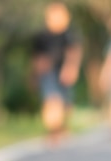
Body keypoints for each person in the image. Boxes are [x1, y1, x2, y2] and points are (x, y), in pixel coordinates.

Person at [32, 2, 82, 145]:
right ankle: (53, 130)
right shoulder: (41, 36)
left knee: (66, 103)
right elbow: (36, 57)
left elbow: (73, 52)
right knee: (51, 100)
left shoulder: (70, 34)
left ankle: (61, 127)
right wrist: (35, 74)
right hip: (48, 72)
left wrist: (71, 68)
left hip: (64, 71)